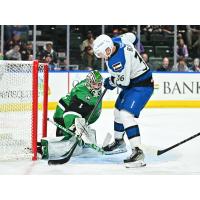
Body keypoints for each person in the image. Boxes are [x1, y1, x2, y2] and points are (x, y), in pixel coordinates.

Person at [93, 33, 154, 168]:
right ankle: (119, 142)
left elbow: (124, 83)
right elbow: (134, 36)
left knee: (126, 114)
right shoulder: (118, 40)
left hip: (142, 85)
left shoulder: (117, 61)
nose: (102, 57)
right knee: (117, 111)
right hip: (134, 82)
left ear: (108, 49)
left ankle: (138, 152)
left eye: (102, 54)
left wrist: (111, 81)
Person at [39, 70, 103, 159]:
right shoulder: (82, 94)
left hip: (69, 112)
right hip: (62, 114)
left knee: (71, 135)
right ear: (88, 83)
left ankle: (70, 136)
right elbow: (70, 113)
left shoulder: (89, 90)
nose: (97, 87)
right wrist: (73, 126)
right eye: (94, 84)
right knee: (68, 136)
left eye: (99, 84)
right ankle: (46, 148)